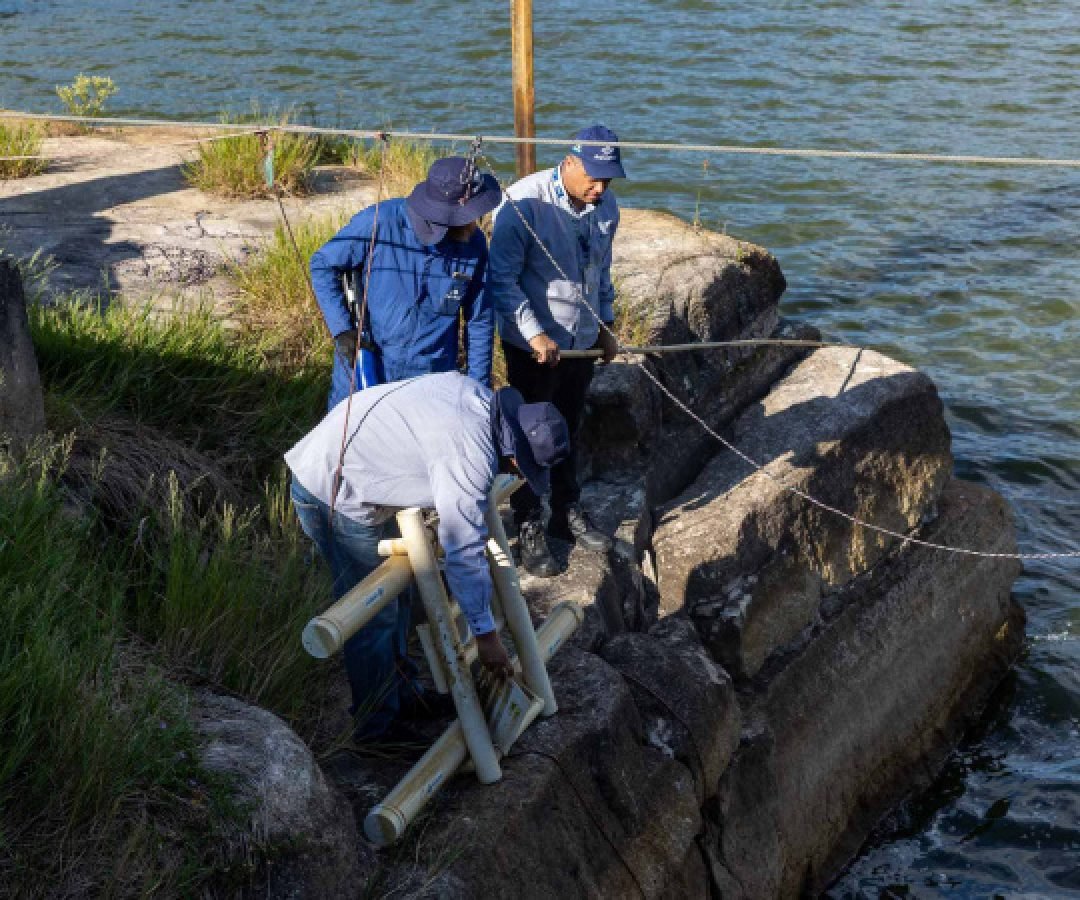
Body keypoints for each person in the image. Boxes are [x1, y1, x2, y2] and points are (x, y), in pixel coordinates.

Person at [284, 371, 569, 743]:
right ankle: (377, 730)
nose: (513, 473)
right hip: (333, 487)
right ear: (514, 454)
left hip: (354, 465)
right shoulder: (468, 453)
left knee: (399, 598)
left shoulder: (477, 399)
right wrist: (485, 636)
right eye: (520, 469)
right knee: (374, 615)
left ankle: (404, 696)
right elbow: (463, 549)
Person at [488, 124, 626, 577]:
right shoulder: (521, 205)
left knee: (569, 426)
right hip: (534, 348)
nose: (599, 188)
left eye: (608, 179)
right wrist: (533, 334)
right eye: (593, 177)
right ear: (569, 162)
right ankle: (528, 520)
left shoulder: (606, 207)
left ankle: (566, 511)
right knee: (530, 435)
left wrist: (605, 325)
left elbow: (602, 270)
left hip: (580, 343)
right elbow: (502, 279)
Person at [310, 155, 502, 410]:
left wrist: (478, 390)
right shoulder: (379, 221)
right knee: (358, 433)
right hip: (367, 366)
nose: (476, 220)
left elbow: (480, 319)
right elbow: (322, 264)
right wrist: (342, 329)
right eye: (470, 213)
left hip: (432, 378)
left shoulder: (475, 243)